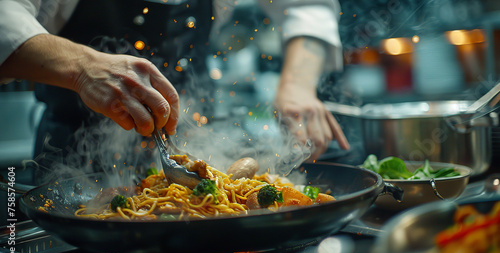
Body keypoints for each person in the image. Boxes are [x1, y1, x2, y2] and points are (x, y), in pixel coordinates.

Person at [0, 0, 349, 168]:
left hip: (198, 143)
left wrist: (298, 85)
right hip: (73, 164)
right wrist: (82, 66)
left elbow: (306, 5)